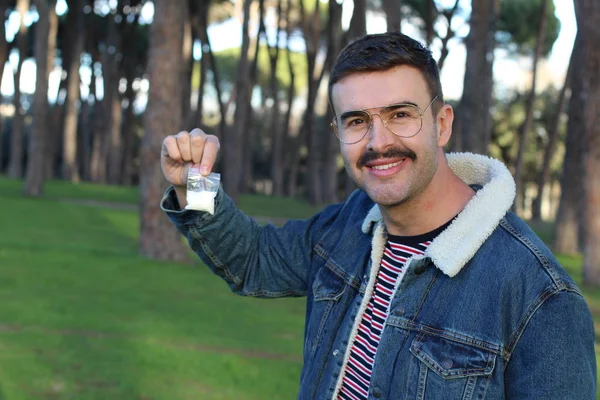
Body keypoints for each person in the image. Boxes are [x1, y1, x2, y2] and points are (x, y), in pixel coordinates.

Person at [159, 32, 596, 399]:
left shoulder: (541, 298)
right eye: (355, 121)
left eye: (401, 115)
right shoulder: (349, 225)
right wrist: (192, 184)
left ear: (442, 124)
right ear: (338, 132)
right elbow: (253, 261)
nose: (377, 142)